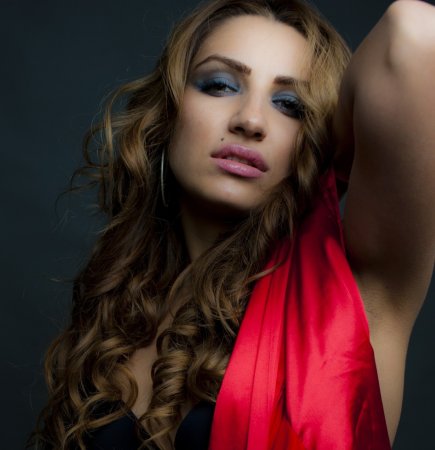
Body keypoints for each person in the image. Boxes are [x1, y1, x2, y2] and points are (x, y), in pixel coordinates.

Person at [30, 0, 435, 449]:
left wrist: (327, 154)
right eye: (220, 85)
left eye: (291, 105)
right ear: (167, 113)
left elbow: (415, 31)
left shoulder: (352, 295)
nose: (251, 121)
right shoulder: (121, 311)